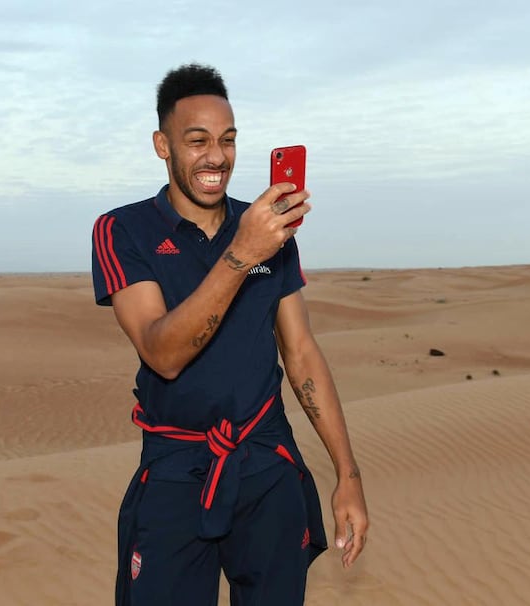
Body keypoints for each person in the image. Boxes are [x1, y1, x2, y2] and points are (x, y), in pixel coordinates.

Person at [92, 63, 368, 606]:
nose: (216, 157)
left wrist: (348, 474)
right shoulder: (123, 230)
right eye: (197, 141)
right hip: (176, 467)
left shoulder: (271, 230)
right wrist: (243, 254)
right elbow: (162, 352)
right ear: (162, 145)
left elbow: (302, 353)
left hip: (268, 463)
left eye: (228, 140)